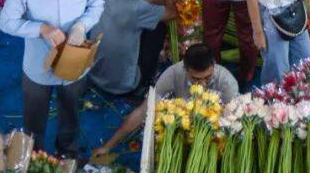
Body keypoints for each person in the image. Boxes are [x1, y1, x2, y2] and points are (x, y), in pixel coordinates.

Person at [0, 0, 104, 156]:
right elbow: (6, 22)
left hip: (76, 60)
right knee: (34, 117)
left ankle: (67, 151)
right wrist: (41, 29)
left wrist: (81, 26)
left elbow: (96, 4)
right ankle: (35, 155)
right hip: (39, 64)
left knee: (71, 111)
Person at [91, 42, 238, 160]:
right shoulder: (174, 73)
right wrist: (109, 145)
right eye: (196, 79)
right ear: (185, 68)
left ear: (214, 65)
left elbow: (233, 122)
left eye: (207, 77)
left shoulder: (227, 82)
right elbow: (144, 110)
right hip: (182, 127)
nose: (202, 85)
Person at [88, 0, 176, 99]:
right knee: (158, 27)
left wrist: (158, 1)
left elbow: (142, 9)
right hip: (124, 86)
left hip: (96, 78)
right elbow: (172, 13)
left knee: (145, 23)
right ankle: (145, 82)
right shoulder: (135, 8)